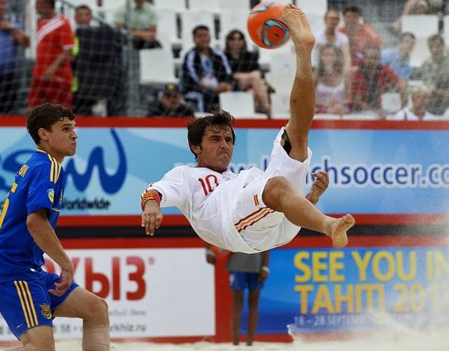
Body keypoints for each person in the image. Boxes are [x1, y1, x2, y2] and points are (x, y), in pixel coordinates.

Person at [141, 4, 355, 254]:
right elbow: (155, 191)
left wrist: (312, 198)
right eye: (215, 138)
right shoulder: (185, 176)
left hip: (272, 221)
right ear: (195, 146)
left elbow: (281, 209)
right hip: (233, 225)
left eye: (229, 139)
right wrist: (152, 207)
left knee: (296, 134)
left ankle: (303, 52)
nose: (225, 144)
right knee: (274, 186)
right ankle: (329, 225)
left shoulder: (235, 178)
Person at [0, 103, 109, 350]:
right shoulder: (48, 166)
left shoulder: (40, 164)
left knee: (96, 309)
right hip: (13, 271)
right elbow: (35, 222)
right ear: (44, 134)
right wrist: (66, 263)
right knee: (40, 349)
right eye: (65, 129)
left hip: (27, 269)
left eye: (74, 128)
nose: (74, 135)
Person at [206, 247, 270, 346]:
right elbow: (211, 232)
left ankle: (250, 344)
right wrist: (208, 250)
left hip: (256, 263)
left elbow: (268, 241)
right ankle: (235, 344)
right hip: (237, 262)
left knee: (253, 304)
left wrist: (265, 266)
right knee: (237, 305)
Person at [27, 0, 76, 110]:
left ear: (47, 4)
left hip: (58, 76)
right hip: (39, 74)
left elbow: (68, 51)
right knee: (33, 109)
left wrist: (52, 68)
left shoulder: (63, 23)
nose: (35, 6)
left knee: (61, 112)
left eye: (38, 3)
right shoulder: (41, 22)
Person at [182, 25, 235, 112]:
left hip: (218, 85)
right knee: (205, 95)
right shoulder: (190, 56)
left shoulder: (218, 54)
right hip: (199, 88)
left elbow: (227, 72)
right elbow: (191, 77)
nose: (203, 38)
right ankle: (205, 119)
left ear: (210, 37)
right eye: (200, 36)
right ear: (194, 39)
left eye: (205, 35)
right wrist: (210, 88)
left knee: (232, 90)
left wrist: (225, 84)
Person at [351, 45, 407, 118]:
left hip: (380, 109)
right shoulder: (358, 73)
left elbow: (401, 85)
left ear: (379, 58)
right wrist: (374, 111)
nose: (372, 61)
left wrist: (400, 107)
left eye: (375, 58)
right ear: (364, 58)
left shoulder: (384, 70)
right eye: (369, 58)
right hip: (360, 112)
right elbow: (357, 101)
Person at [224, 29, 271, 115]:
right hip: (234, 84)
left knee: (252, 92)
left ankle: (253, 117)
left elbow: (257, 73)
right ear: (228, 41)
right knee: (256, 79)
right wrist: (248, 76)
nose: (236, 42)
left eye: (239, 39)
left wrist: (242, 76)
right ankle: (267, 107)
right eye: (233, 39)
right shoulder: (224, 56)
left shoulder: (249, 55)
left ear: (243, 41)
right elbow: (230, 75)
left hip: (251, 85)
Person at [313, 9, 352, 75]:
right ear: (325, 20)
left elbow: (346, 56)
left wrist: (346, 72)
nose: (333, 21)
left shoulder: (343, 38)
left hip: (337, 73)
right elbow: (314, 58)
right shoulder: (316, 37)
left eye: (336, 19)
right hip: (319, 72)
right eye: (331, 18)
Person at [314, 44, 348, 115]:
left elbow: (349, 99)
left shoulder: (344, 75)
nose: (328, 58)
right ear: (321, 57)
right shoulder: (315, 75)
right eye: (325, 55)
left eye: (332, 55)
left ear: (337, 57)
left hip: (340, 109)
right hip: (321, 109)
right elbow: (309, 99)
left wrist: (338, 103)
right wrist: (327, 104)